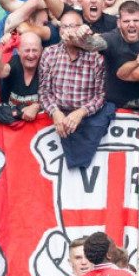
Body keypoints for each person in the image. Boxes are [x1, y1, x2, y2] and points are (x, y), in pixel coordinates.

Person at [39, 10, 114, 169]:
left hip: (86, 116)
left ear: (82, 29)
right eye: (65, 27)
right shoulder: (49, 53)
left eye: (73, 26)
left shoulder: (96, 56)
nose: (68, 31)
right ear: (60, 31)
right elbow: (44, 92)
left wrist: (81, 112)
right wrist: (55, 112)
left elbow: (101, 96)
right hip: (59, 116)